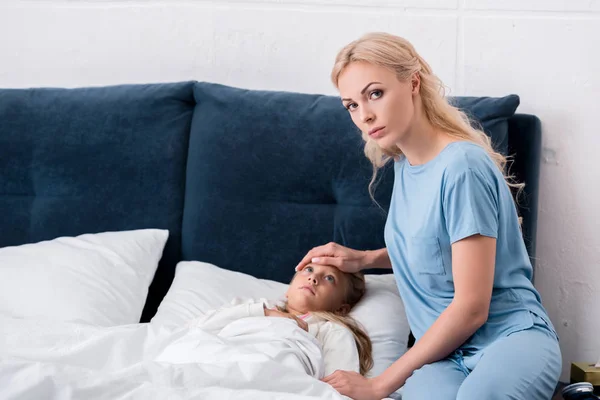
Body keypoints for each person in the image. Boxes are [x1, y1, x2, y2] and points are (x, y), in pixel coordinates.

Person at [295, 32, 562, 400]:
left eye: (375, 93)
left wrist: (380, 384)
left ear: (413, 82)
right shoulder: (405, 165)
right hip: (442, 358)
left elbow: (471, 308)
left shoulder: (462, 167)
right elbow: (441, 245)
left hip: (507, 337)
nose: (364, 115)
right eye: (351, 105)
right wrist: (367, 259)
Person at [189, 263, 373, 377]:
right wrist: (266, 313)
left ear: (341, 309)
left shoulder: (330, 331)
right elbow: (199, 329)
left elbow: (340, 386)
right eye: (309, 269)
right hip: (213, 361)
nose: (313, 277)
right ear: (289, 287)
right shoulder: (252, 307)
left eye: (329, 278)